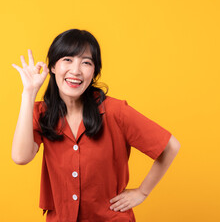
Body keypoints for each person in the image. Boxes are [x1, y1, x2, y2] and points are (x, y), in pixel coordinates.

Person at [11, 29, 181, 222]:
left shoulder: (115, 111)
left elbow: (170, 146)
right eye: (67, 59)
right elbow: (20, 157)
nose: (75, 70)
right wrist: (29, 93)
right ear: (52, 67)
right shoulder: (41, 113)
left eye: (86, 62)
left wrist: (142, 192)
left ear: (94, 72)